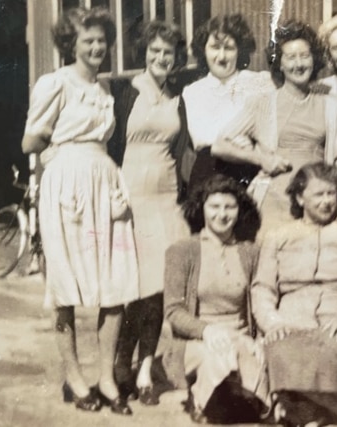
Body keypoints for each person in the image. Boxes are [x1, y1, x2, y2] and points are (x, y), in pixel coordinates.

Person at [21, 7, 137, 415]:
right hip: (67, 186)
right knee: (66, 288)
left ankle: (105, 378)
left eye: (101, 40)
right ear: (71, 44)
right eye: (87, 40)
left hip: (105, 183)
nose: (96, 47)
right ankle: (73, 377)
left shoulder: (106, 91)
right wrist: (61, 152)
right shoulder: (56, 84)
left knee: (115, 284)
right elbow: (29, 142)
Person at [252, 162, 337, 427]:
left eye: (332, 193)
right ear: (300, 198)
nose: (327, 201)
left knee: (329, 348)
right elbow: (262, 289)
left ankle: (307, 413)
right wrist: (272, 322)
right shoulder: (278, 236)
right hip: (289, 320)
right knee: (279, 348)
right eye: (319, 194)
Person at [106, 21, 191, 406]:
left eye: (168, 53)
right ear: (145, 53)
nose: (161, 58)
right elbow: (112, 148)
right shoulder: (124, 93)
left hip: (165, 199)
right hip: (131, 198)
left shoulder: (178, 98)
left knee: (157, 290)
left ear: (176, 59)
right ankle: (118, 365)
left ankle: (144, 371)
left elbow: (178, 150)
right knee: (128, 288)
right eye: (155, 51)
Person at [213, 19, 337, 233]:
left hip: (316, 206)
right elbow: (220, 145)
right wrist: (260, 158)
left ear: (314, 60)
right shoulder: (262, 103)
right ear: (280, 64)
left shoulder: (330, 106)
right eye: (291, 57)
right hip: (273, 202)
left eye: (305, 56)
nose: (299, 64)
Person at [163, 175, 267, 424]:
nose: (222, 214)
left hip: (242, 339)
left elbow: (261, 299)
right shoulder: (183, 250)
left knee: (259, 372)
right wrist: (207, 330)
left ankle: (234, 393)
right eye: (215, 206)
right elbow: (173, 311)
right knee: (221, 359)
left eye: (230, 207)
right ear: (202, 208)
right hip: (197, 341)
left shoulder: (250, 251)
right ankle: (200, 397)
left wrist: (261, 339)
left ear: (239, 210)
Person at [182, 13, 273, 189]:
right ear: (203, 50)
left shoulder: (259, 83)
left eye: (229, 48)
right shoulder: (192, 92)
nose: (221, 56)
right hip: (209, 174)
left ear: (240, 51)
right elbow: (202, 138)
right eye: (215, 47)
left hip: (250, 174)